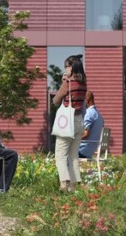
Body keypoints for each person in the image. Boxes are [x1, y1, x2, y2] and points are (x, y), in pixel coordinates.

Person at [51, 54, 87, 192]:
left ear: (71, 68)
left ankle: (64, 185)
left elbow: (55, 101)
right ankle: (73, 186)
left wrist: (63, 82)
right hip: (79, 121)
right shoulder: (84, 82)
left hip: (67, 122)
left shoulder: (68, 83)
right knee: (74, 155)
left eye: (66, 67)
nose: (65, 69)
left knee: (60, 155)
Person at [78, 91, 105, 159]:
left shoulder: (89, 114)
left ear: (86, 101)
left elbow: (86, 134)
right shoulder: (98, 114)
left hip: (83, 151)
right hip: (91, 150)